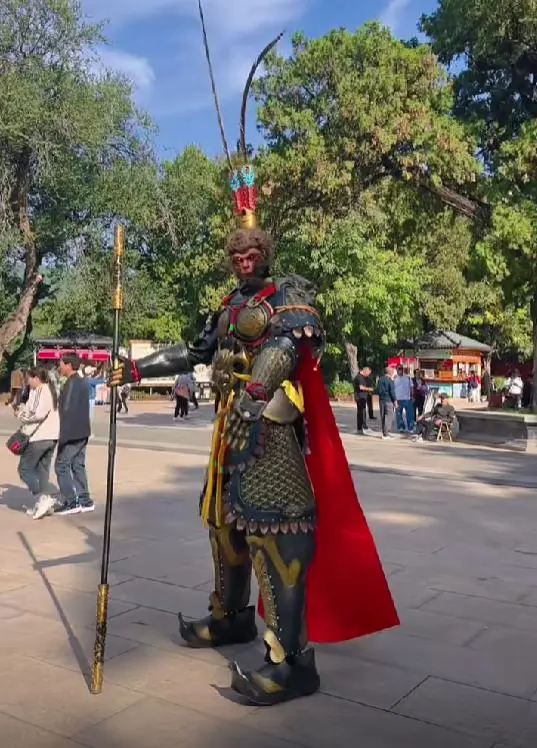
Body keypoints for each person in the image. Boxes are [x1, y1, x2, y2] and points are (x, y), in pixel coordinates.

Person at [110, 147, 398, 703]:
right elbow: (192, 352)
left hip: (271, 431)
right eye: (237, 252)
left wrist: (258, 388)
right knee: (224, 526)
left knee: (278, 534)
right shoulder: (225, 307)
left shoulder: (287, 293)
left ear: (265, 254)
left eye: (252, 251)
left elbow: (291, 343)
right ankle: (232, 616)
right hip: (228, 431)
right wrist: (135, 367)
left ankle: (293, 660)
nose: (244, 258)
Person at [16, 367, 60, 520]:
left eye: (29, 378)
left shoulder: (44, 391)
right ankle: (43, 503)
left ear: (36, 378)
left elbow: (38, 413)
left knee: (24, 468)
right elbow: (30, 407)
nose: (27, 381)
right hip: (50, 436)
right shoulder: (39, 390)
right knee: (42, 469)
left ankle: (43, 498)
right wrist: (22, 410)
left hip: (41, 436)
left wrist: (22, 416)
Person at [54, 355, 93, 515]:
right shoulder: (82, 382)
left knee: (61, 465)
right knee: (78, 465)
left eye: (61, 365)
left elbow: (67, 411)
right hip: (83, 431)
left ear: (69, 365)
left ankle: (71, 501)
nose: (59, 368)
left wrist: (62, 436)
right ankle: (85, 500)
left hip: (72, 433)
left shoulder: (71, 384)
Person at [353, 366, 374, 435]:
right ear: (365, 371)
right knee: (361, 413)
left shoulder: (362, 377)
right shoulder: (359, 377)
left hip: (362, 397)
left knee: (363, 412)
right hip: (360, 397)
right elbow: (361, 387)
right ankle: (360, 428)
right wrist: (370, 389)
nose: (368, 375)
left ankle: (364, 426)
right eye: (368, 373)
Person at [377, 367, 397, 438]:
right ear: (390, 372)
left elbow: (377, 390)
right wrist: (395, 401)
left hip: (381, 400)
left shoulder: (380, 379)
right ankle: (386, 433)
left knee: (383, 416)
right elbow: (392, 392)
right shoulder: (390, 381)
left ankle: (384, 432)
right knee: (388, 416)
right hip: (389, 400)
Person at [394, 365, 414, 432]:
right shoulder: (394, 378)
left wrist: (412, 396)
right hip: (398, 399)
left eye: (401, 369)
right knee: (398, 414)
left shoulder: (408, 377)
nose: (400, 370)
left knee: (410, 415)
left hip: (407, 399)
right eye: (399, 369)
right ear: (396, 369)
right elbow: (392, 389)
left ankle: (410, 427)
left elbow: (411, 387)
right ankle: (401, 427)